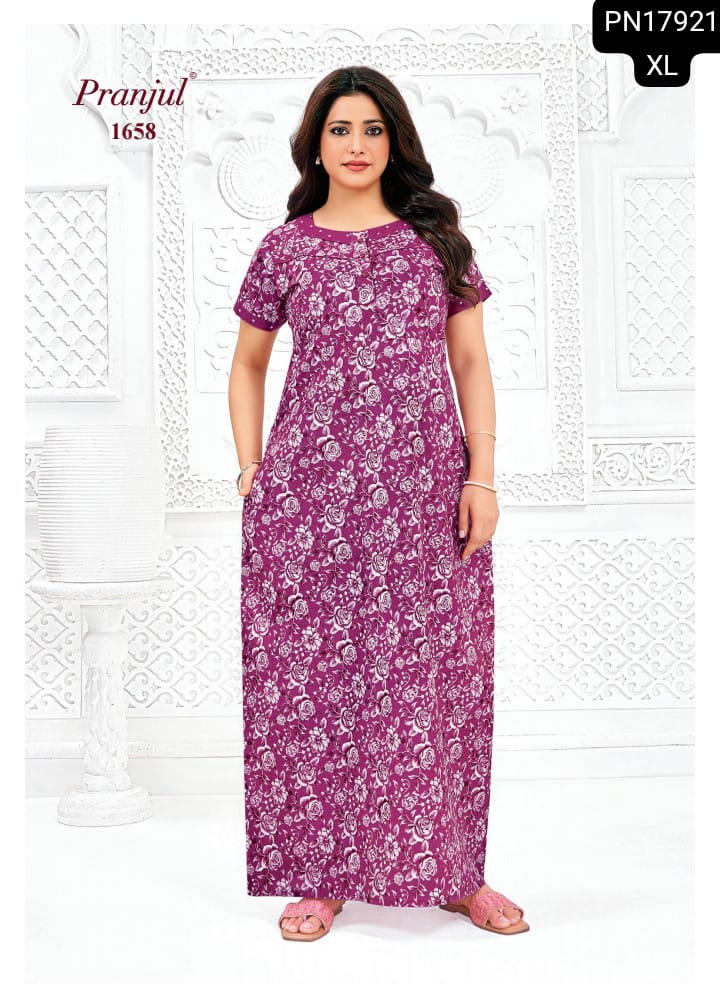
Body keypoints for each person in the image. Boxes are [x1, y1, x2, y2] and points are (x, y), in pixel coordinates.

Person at [228, 65, 529, 942]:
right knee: (313, 683)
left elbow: (470, 363)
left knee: (437, 676)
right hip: (309, 501)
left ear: (394, 141)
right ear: (315, 145)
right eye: (339, 129)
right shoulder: (285, 249)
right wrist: (252, 468)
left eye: (372, 129)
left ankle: (455, 872)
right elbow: (248, 364)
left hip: (426, 495)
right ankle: (322, 875)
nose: (356, 145)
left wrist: (482, 477)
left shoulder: (437, 242)